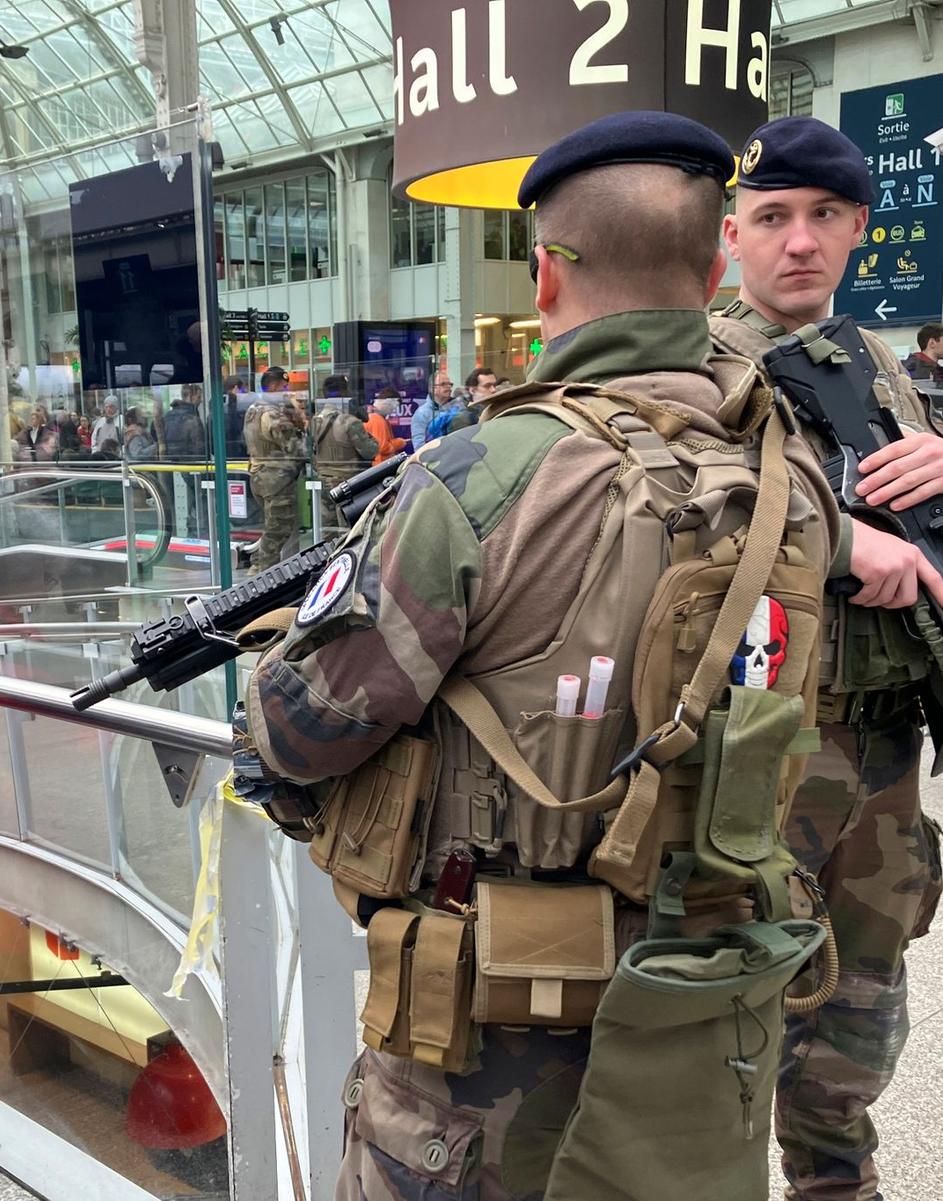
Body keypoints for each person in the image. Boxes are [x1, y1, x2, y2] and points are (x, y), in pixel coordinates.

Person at [244, 112, 841, 1200]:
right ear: (715, 266)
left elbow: (303, 730)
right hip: (696, 1006)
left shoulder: (480, 475)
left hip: (485, 1064)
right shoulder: (788, 476)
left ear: (544, 273)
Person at [713, 114, 943, 1201]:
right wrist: (843, 543)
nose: (797, 241)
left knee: (858, 1019)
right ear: (731, 235)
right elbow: (665, 519)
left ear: (857, 225)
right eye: (771, 219)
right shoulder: (696, 368)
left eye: (822, 217)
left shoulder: (872, 361)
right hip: (765, 754)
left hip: (886, 748)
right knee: (723, 1013)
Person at [243, 366, 306, 575]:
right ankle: (261, 571)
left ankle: (259, 565)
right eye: (283, 386)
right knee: (278, 530)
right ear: (272, 387)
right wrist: (301, 423)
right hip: (276, 479)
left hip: (259, 476)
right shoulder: (273, 414)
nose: (287, 391)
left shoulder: (253, 409)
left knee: (272, 527)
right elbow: (295, 448)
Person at [311, 375, 378, 530]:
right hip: (346, 483)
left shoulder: (316, 420)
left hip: (323, 481)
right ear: (343, 392)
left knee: (328, 532)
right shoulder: (350, 421)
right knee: (349, 531)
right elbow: (370, 451)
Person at [163, 385, 208, 538]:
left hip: (171, 467)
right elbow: (199, 448)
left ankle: (189, 529)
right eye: (198, 397)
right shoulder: (192, 419)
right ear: (190, 396)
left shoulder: (166, 417)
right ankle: (199, 530)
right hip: (192, 466)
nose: (200, 401)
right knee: (201, 498)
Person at [409, 371, 453, 450]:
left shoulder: (456, 408)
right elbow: (419, 446)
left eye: (449, 384)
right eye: (443, 384)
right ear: (432, 389)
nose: (448, 387)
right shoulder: (422, 414)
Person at [366, 387, 406, 465]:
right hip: (379, 465)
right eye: (393, 407)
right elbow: (382, 447)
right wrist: (399, 443)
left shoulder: (378, 418)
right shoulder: (377, 420)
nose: (393, 410)